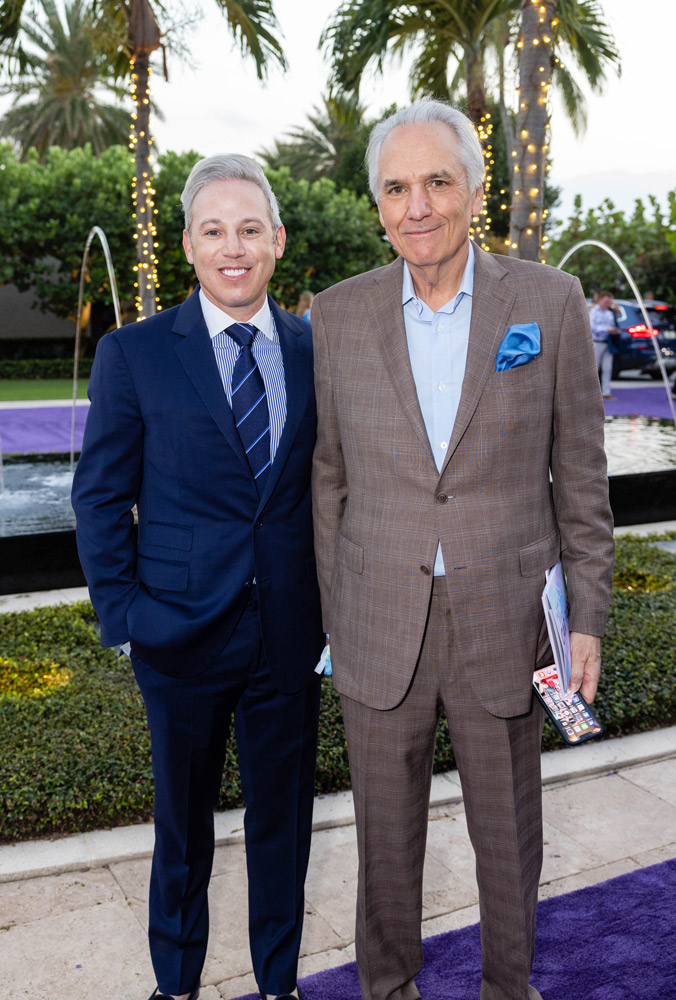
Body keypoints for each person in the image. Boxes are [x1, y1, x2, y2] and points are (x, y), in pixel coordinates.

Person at [311, 99, 614, 1000]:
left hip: (507, 619)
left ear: (474, 191)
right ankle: (389, 989)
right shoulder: (335, 316)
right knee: (384, 845)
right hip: (379, 622)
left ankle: (506, 991)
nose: (418, 206)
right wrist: (337, 614)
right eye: (397, 188)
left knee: (510, 842)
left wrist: (586, 619)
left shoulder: (549, 303)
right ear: (376, 207)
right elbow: (326, 480)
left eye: (437, 181)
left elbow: (583, 480)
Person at [72, 154, 323, 1000]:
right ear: (188, 244)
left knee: (283, 826)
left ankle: (278, 984)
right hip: (176, 633)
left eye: (250, 229)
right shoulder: (133, 354)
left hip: (288, 634)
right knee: (182, 830)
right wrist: (127, 615)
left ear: (277, 241)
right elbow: (100, 497)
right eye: (214, 230)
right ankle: (174, 985)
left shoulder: (316, 351)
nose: (234, 248)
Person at [589, 289, 620, 399]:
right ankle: (591, 392)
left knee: (608, 368)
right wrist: (607, 329)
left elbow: (613, 324)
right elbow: (592, 327)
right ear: (601, 299)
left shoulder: (609, 313)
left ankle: (605, 392)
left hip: (608, 343)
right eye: (607, 300)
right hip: (596, 342)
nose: (609, 303)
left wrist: (615, 330)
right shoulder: (593, 311)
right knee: (594, 368)